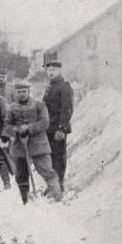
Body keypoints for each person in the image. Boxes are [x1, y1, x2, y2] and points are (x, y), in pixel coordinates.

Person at [2, 81, 63, 203]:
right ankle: (25, 201)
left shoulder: (39, 106)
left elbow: (45, 123)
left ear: (29, 92)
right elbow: (7, 126)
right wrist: (16, 130)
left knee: (47, 171)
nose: (21, 94)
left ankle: (58, 197)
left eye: (24, 91)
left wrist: (29, 128)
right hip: (19, 146)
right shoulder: (11, 108)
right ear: (16, 93)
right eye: (19, 92)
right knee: (20, 175)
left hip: (39, 146)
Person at [43, 60, 74, 191]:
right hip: (48, 129)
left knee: (58, 158)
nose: (50, 72)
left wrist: (61, 129)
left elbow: (67, 109)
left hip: (57, 130)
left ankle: (59, 185)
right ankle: (52, 185)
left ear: (60, 71)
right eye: (48, 70)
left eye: (53, 70)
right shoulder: (49, 87)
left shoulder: (64, 87)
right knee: (49, 158)